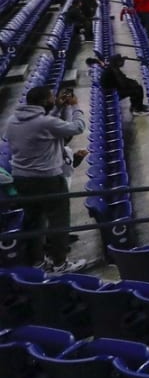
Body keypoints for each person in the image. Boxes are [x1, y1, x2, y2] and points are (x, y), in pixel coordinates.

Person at [6, 85, 86, 271]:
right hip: (47, 179)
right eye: (52, 97)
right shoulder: (45, 123)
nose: (55, 99)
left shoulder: (12, 120)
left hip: (21, 178)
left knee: (34, 220)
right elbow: (78, 127)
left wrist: (58, 107)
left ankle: (38, 262)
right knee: (59, 220)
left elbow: (43, 124)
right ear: (43, 102)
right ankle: (60, 263)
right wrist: (75, 106)